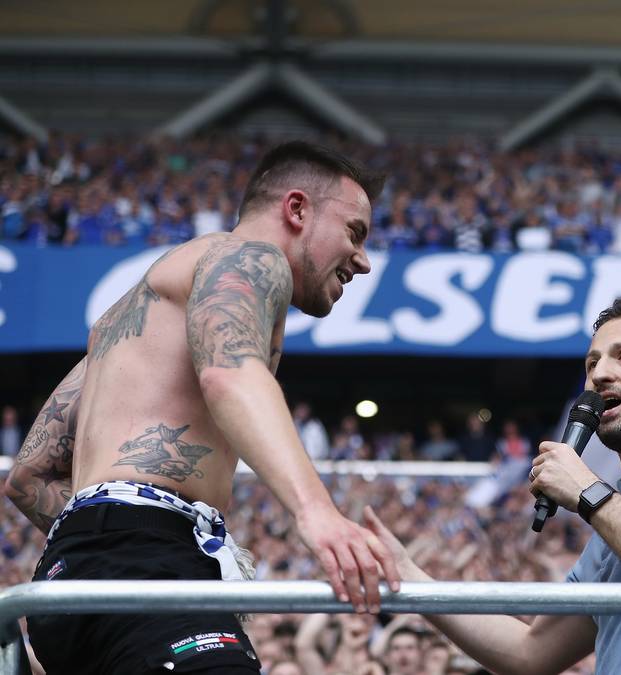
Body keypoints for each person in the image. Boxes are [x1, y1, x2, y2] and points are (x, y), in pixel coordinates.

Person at [4, 141, 400, 674]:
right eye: (355, 232)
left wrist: (103, 536)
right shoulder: (251, 257)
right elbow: (229, 371)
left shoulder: (126, 326)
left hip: (71, 577)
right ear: (297, 209)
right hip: (145, 566)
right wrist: (318, 513)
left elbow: (27, 478)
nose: (364, 260)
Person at [365, 298, 621, 673]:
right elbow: (528, 653)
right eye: (592, 363)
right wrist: (410, 576)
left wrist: (589, 492)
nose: (600, 374)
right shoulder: (618, 514)